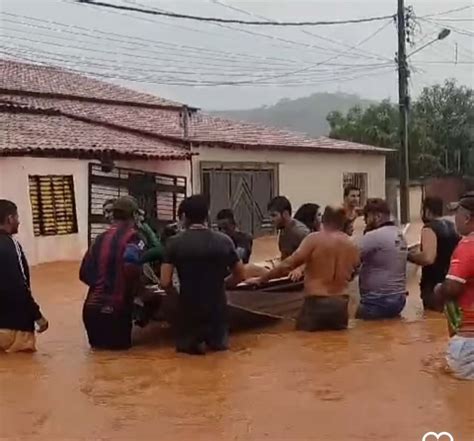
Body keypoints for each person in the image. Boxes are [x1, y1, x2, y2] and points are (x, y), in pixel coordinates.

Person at [247, 206, 360, 331]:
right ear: (343, 221)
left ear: (323, 219)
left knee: (306, 343)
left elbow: (287, 265)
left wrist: (261, 279)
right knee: (339, 345)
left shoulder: (314, 239)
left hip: (316, 302)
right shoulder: (352, 245)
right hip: (340, 305)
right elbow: (354, 272)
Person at [161, 195, 245, 355]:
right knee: (219, 359)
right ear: (207, 215)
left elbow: (165, 282)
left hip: (188, 311)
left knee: (187, 362)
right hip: (217, 310)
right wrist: (221, 284)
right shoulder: (224, 241)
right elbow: (241, 275)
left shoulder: (174, 243)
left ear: (184, 217)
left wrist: (176, 298)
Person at [80, 196, 144, 350]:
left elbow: (84, 273)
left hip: (91, 311)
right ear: (134, 215)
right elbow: (130, 268)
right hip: (117, 311)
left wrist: (103, 284)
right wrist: (138, 291)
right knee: (120, 366)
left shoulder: (99, 239)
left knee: (97, 365)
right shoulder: (134, 238)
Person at [434, 192, 474, 380]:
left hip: (468, 341)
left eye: (456, 214)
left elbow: (452, 288)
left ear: (467, 219)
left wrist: (438, 290)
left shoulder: (467, 246)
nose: (453, 219)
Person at [0, 200, 48, 353]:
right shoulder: (11, 245)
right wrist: (37, 316)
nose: (19, 221)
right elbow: (19, 285)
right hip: (14, 328)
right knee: (24, 371)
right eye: (17, 217)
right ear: (9, 219)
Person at [357, 198, 408, 320]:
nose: (365, 221)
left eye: (366, 217)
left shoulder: (374, 236)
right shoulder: (399, 234)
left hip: (377, 300)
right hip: (398, 299)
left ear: (377, 216)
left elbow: (351, 257)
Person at [408, 197, 460, 311]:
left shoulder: (429, 228)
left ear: (426, 210)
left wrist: (408, 256)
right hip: (452, 285)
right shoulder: (453, 227)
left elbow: (428, 258)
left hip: (433, 286)